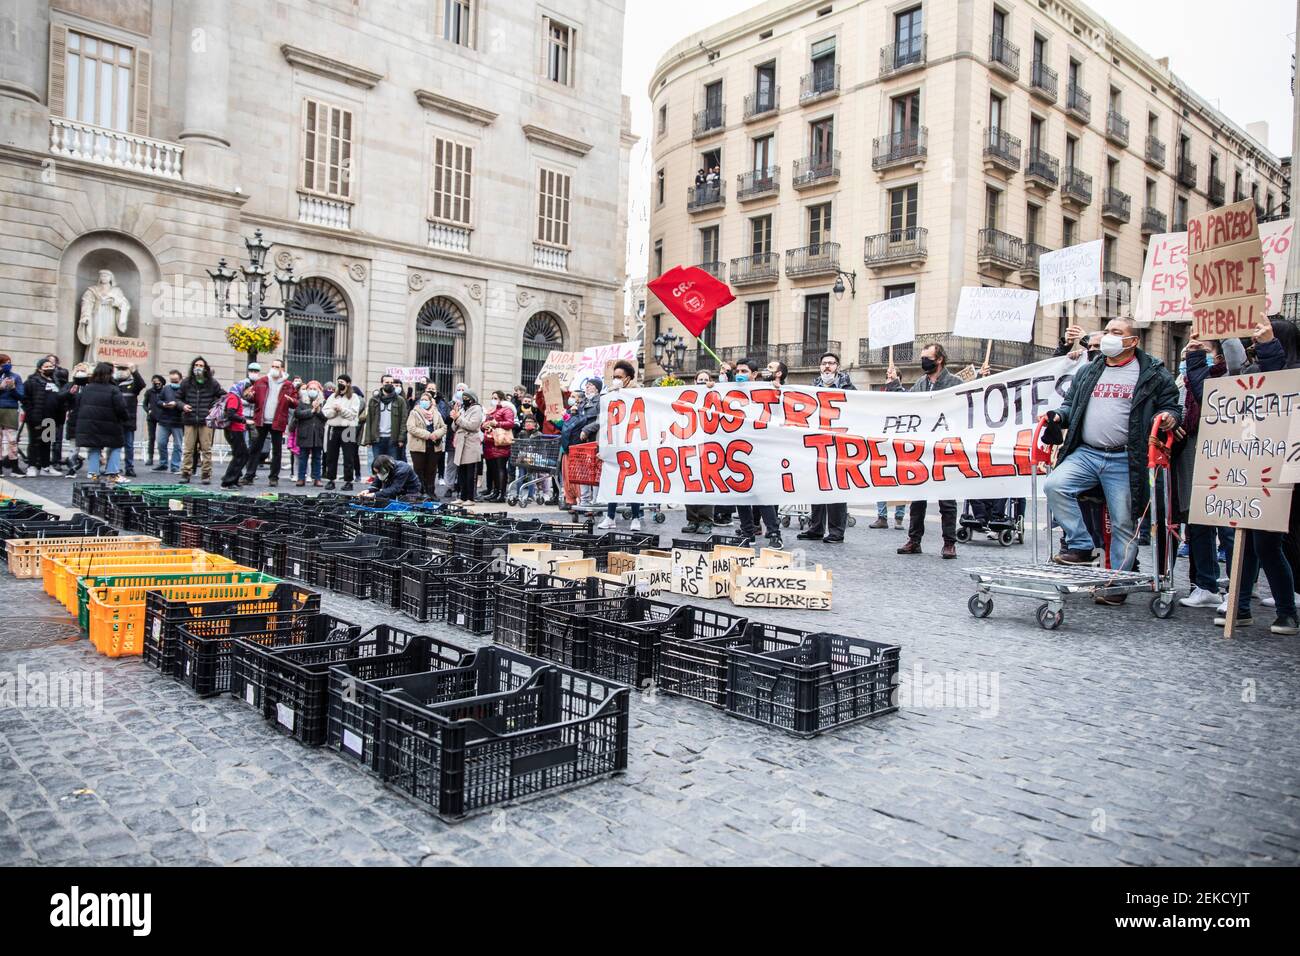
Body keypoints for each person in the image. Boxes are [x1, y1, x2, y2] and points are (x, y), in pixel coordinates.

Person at [1042, 317, 1180, 604]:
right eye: (1107, 331)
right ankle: (1081, 544)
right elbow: (1071, 405)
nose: (1108, 337)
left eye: (1116, 333)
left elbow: (1171, 405)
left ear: (1133, 341)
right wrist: (1059, 415)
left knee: (1123, 524)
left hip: (1126, 457)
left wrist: (1169, 418)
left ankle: (1116, 585)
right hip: (1087, 452)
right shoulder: (1090, 370)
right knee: (1054, 485)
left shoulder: (1152, 373)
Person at [1210, 321, 1298, 632]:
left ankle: (1287, 611)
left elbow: (1277, 386)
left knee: (1266, 545)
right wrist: (1197, 357)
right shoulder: (1253, 371)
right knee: (1246, 544)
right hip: (1248, 467)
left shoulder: (1293, 374)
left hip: (1282, 473)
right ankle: (1241, 606)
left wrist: (1268, 347)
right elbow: (1219, 394)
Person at [1177, 336, 1244, 609]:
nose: (1193, 351)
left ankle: (1236, 588)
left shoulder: (1229, 375)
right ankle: (1206, 585)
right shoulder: (1184, 381)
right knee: (1198, 520)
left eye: (1203, 349)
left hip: (1224, 448)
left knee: (1227, 523)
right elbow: (1177, 407)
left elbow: (1237, 359)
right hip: (1192, 450)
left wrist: (1227, 333)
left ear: (1218, 356)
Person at [885, 343, 964, 558]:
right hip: (922, 449)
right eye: (922, 358)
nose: (923, 362)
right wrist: (894, 385)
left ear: (939, 360)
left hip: (944, 448)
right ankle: (914, 540)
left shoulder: (955, 383)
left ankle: (949, 543)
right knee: (917, 496)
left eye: (927, 358)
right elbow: (908, 404)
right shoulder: (921, 383)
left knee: (946, 499)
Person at [798, 352, 857, 544]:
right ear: (820, 367)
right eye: (824, 364)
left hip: (839, 444)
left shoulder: (850, 389)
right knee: (817, 485)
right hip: (817, 443)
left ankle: (836, 531)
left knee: (836, 487)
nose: (827, 367)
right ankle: (815, 528)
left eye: (831, 363)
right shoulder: (812, 389)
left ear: (838, 367)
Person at [597, 360, 643, 531]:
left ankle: (636, 517)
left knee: (632, 480)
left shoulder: (637, 392)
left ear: (628, 378)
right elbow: (603, 419)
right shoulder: (610, 393)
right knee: (612, 479)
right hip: (614, 443)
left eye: (619, 377)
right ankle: (610, 517)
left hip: (633, 443)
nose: (615, 379)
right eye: (613, 376)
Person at [241, 358, 298, 486]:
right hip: (261, 420)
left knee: (277, 450)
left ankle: (274, 477)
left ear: (282, 369)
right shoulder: (262, 381)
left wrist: (291, 400)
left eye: (277, 367)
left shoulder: (288, 385)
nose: (274, 368)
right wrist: (248, 396)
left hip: (278, 421)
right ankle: (249, 476)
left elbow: (295, 403)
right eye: (272, 366)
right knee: (255, 449)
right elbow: (252, 398)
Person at [75, 362, 130, 483]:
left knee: (95, 448)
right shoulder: (113, 389)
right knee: (116, 446)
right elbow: (121, 408)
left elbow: (79, 405)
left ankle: (94, 474)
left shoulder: (87, 388)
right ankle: (112, 473)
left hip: (91, 425)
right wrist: (125, 419)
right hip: (110, 424)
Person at [177, 356, 221, 484]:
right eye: (196, 365)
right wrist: (182, 406)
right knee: (188, 449)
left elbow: (222, 396)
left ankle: (206, 474)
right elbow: (178, 398)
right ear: (193, 367)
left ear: (205, 368)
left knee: (206, 449)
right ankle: (186, 473)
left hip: (205, 420)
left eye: (201, 366)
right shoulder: (186, 382)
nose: (198, 367)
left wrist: (213, 407)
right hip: (190, 419)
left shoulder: (212, 383)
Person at [21, 355, 62, 476]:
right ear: (40, 368)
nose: (50, 368)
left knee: (47, 442)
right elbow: (25, 400)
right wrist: (31, 413)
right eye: (47, 366)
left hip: (51, 417)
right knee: (34, 442)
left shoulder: (55, 381)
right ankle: (32, 466)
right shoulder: (31, 381)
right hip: (36, 417)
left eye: (51, 366)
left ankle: (45, 467)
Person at [322, 373, 364, 491]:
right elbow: (326, 412)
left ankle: (348, 481)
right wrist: (334, 412)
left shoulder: (354, 397)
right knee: (331, 455)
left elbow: (352, 415)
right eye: (338, 381)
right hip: (334, 428)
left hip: (348, 429)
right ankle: (331, 480)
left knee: (348, 456)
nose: (340, 384)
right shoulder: (332, 397)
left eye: (342, 382)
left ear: (348, 383)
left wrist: (341, 410)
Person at [364, 374, 407, 473]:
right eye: (387, 382)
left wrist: (401, 438)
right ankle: (379, 487)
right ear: (382, 383)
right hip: (377, 439)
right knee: (378, 466)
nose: (390, 384)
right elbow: (369, 419)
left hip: (393, 439)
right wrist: (368, 439)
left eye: (391, 383)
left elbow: (403, 421)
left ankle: (391, 487)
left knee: (392, 466)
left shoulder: (400, 400)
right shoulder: (374, 400)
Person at [406, 389, 447, 494]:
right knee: (419, 470)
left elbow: (444, 427)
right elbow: (411, 428)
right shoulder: (414, 413)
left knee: (431, 471)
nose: (424, 402)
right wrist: (428, 435)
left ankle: (431, 492)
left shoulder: (436, 413)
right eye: (422, 400)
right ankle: (420, 493)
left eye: (426, 400)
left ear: (430, 401)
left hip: (434, 447)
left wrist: (436, 434)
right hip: (418, 447)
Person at [481, 389, 516, 502]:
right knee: (493, 469)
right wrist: (484, 425)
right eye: (492, 398)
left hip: (501, 444)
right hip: (489, 444)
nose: (493, 400)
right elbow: (483, 426)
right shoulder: (491, 411)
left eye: (495, 398)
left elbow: (511, 423)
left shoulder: (507, 409)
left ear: (501, 399)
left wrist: (497, 424)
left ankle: (502, 493)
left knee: (500, 468)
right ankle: (495, 492)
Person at [450, 389, 485, 503]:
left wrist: (457, 418)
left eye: (467, 398)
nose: (464, 400)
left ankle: (470, 497)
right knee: (461, 472)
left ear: (472, 399)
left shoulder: (477, 409)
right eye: (463, 398)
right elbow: (454, 427)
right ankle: (462, 496)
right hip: (461, 443)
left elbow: (472, 425)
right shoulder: (463, 409)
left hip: (470, 442)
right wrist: (455, 419)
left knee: (470, 472)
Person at [112, 362, 146, 477]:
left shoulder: (133, 385)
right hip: (115, 420)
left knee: (129, 446)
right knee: (113, 445)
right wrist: (111, 369)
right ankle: (111, 467)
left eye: (124, 369)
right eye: (119, 368)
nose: (121, 371)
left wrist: (134, 370)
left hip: (129, 420)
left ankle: (129, 467)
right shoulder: (113, 383)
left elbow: (142, 384)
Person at [292, 381, 327, 487]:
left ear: (319, 391)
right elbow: (297, 414)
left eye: (315, 389)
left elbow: (326, 417)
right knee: (303, 457)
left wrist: (318, 410)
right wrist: (311, 411)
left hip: (318, 434)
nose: (312, 391)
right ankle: (301, 478)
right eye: (310, 389)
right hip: (305, 434)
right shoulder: (302, 402)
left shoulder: (323, 403)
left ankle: (317, 478)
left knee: (317, 457)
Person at [219, 379, 250, 489]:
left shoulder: (234, 396)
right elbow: (231, 414)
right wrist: (244, 420)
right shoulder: (234, 397)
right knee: (240, 455)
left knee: (241, 455)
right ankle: (228, 481)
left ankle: (234, 479)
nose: (248, 394)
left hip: (235, 430)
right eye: (248, 390)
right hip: (234, 430)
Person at [153, 369, 185, 474]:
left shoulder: (184, 390)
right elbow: (158, 401)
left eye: (175, 381)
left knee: (178, 445)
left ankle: (175, 466)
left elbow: (187, 403)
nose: (173, 383)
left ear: (180, 379)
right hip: (164, 420)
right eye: (172, 380)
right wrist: (164, 404)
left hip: (178, 421)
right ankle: (163, 463)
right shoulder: (166, 389)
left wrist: (177, 404)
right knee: (161, 443)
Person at [142, 374, 166, 468]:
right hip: (151, 417)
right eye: (154, 381)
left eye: (158, 382)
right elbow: (144, 404)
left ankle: (162, 458)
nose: (156, 384)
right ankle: (150, 457)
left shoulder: (164, 391)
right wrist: (148, 410)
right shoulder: (149, 392)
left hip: (162, 417)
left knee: (161, 439)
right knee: (151, 438)